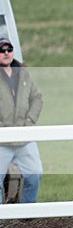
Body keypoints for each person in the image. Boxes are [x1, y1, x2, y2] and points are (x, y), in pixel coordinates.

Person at [0, 37, 43, 204]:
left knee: (35, 176)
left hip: (24, 139)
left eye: (8, 49)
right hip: (1, 141)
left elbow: (37, 98)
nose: (6, 53)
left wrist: (30, 121)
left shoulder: (24, 74)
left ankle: (26, 219)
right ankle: (2, 223)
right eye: (2, 50)